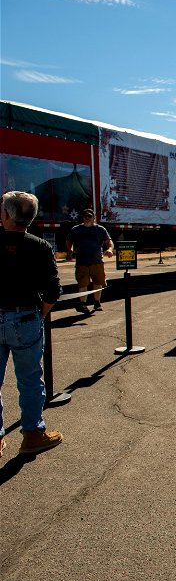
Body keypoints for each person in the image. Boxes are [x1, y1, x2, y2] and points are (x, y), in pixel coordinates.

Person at [0, 191, 63, 457]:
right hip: (26, 317)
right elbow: (52, 290)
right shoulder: (40, 246)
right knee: (29, 380)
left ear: (5, 215)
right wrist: (41, 313)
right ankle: (32, 435)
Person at [66, 209, 113, 313]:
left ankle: (97, 302)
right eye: (85, 216)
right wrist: (69, 250)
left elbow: (109, 242)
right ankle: (83, 304)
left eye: (89, 216)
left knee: (98, 282)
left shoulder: (100, 229)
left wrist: (109, 250)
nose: (87, 218)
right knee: (82, 284)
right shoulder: (76, 229)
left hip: (96, 261)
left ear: (94, 218)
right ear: (83, 218)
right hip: (81, 261)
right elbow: (69, 240)